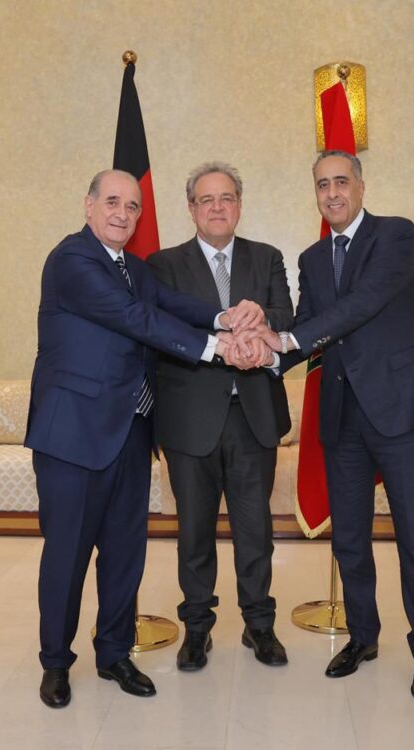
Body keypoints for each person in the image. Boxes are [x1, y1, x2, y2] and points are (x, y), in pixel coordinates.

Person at [26, 169, 262, 708]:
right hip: (73, 438)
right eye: (112, 202)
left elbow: (171, 304)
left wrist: (225, 317)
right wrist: (217, 348)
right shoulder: (71, 260)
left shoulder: (133, 267)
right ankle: (56, 664)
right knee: (67, 558)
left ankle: (114, 654)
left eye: (132, 206)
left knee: (124, 555)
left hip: (132, 431)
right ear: (88, 205)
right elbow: (135, 318)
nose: (123, 214)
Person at [259, 150, 414, 701]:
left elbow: (363, 304)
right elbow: (306, 328)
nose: (333, 193)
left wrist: (289, 339)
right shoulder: (312, 258)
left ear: (361, 186)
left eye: (341, 181)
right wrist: (264, 353)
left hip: (401, 410)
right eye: (323, 185)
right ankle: (363, 636)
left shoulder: (395, 235)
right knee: (348, 541)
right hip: (342, 416)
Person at [147, 162, 292, 671]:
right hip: (190, 420)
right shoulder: (162, 265)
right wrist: (223, 338)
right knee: (194, 533)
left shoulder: (267, 257)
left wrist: (261, 324)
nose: (216, 207)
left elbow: (288, 317)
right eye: (206, 199)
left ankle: (260, 625)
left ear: (239, 206)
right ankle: (197, 629)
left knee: (256, 531)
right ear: (191, 208)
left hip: (254, 416)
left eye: (226, 198)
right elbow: (163, 327)